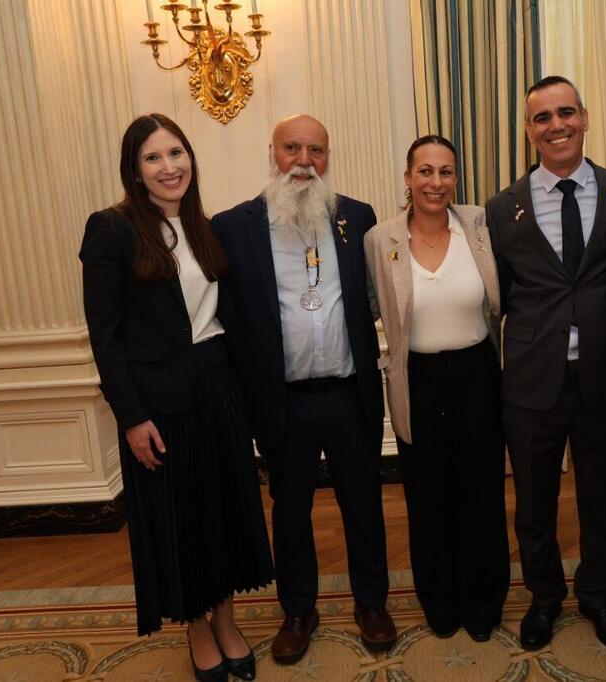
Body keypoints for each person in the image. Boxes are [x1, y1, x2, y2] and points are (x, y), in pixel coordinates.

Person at [80, 113, 273, 682]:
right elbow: (104, 336)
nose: (170, 167)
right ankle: (196, 628)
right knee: (180, 518)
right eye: (154, 158)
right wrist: (132, 417)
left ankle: (227, 619)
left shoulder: (204, 226)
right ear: (135, 172)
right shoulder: (111, 229)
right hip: (158, 405)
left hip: (218, 391)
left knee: (224, 510)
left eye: (177, 153)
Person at [212, 114, 396, 664]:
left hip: (347, 391)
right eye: (291, 147)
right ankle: (298, 610)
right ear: (273, 154)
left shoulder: (356, 218)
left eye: (315, 149)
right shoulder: (233, 226)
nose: (303, 161)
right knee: (288, 510)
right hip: (282, 398)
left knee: (363, 504)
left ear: (328, 156)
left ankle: (372, 603)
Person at [485, 76, 606, 653]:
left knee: (601, 501)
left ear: (585, 116)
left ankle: (599, 598)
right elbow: (496, 296)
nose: (556, 126)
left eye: (565, 112)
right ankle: (545, 598)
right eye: (542, 118)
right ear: (528, 130)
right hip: (530, 381)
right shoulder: (503, 210)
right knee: (533, 505)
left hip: (604, 377)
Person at [364, 135, 510, 641]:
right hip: (417, 381)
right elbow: (370, 309)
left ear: (456, 178)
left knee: (482, 493)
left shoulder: (480, 226)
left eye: (445, 172)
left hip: (478, 376)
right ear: (407, 178)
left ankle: (484, 598)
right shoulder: (379, 240)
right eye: (424, 172)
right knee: (427, 498)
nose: (435, 182)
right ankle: (440, 600)